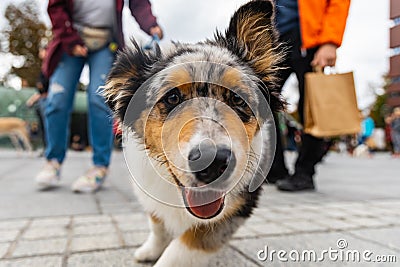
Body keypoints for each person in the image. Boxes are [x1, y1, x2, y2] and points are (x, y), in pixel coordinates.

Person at [35, 0, 163, 193]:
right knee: (57, 100)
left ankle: (100, 166)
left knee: (100, 99)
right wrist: (70, 40)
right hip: (70, 37)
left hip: (105, 41)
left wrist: (151, 23)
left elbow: (138, 2)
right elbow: (56, 6)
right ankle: (53, 161)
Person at [266, 0, 351, 191]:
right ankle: (274, 169)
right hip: (274, 40)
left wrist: (330, 42)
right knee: (262, 99)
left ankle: (305, 172)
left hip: (309, 39)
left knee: (313, 106)